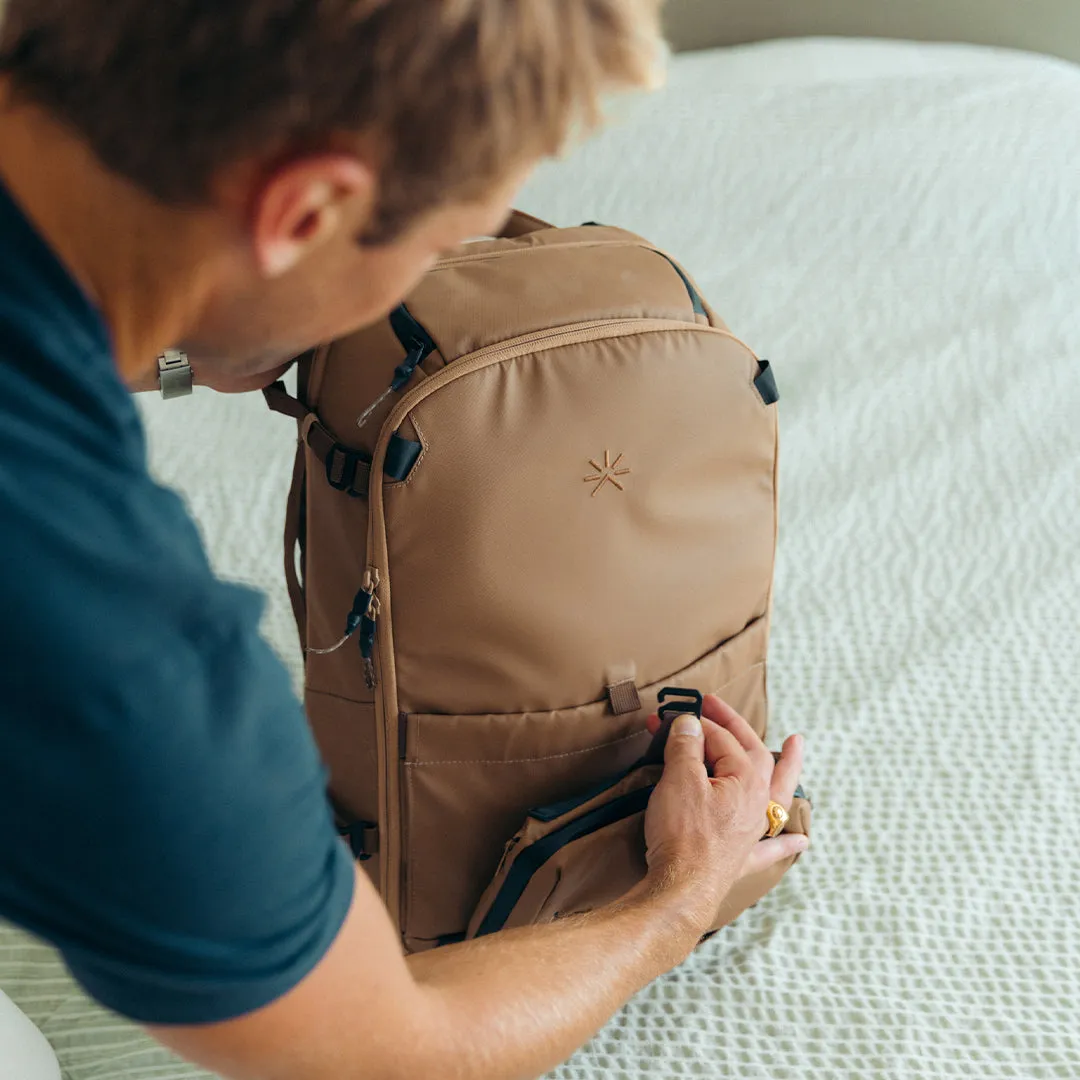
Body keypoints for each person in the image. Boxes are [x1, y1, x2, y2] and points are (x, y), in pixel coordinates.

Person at [0, 3, 808, 1078]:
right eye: (433, 245)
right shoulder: (118, 654)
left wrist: (160, 324)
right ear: (303, 212)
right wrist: (677, 900)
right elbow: (386, 1049)